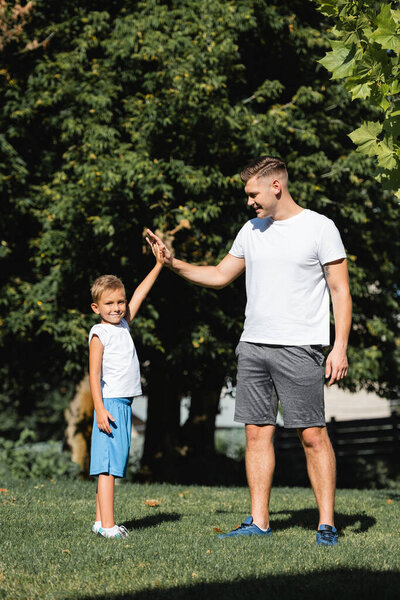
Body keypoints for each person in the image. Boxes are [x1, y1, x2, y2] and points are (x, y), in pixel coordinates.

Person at [146, 155, 352, 546]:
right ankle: (259, 521)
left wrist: (339, 347)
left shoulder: (319, 228)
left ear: (277, 186)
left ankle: (326, 523)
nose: (249, 201)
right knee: (257, 434)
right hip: (253, 345)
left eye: (253, 193)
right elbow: (220, 275)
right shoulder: (251, 230)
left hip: (301, 347)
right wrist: (173, 264)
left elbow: (340, 291)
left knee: (311, 435)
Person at [88, 241, 163, 539]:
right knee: (108, 469)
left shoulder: (123, 325)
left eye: (120, 302)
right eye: (109, 304)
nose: (117, 307)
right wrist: (100, 409)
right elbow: (94, 375)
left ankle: (99, 521)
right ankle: (108, 526)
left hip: (123, 404)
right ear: (96, 308)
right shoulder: (100, 332)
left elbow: (141, 293)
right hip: (109, 404)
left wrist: (158, 265)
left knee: (111, 462)